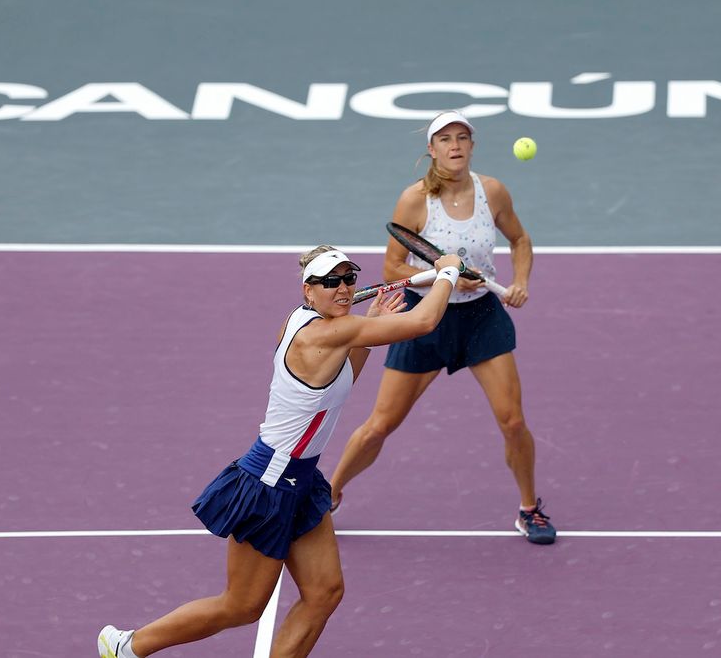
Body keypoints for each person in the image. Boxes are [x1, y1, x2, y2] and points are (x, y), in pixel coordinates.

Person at [97, 246, 464, 658]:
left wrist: (367, 329)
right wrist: (447, 273)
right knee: (241, 606)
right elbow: (424, 319)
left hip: (302, 481)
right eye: (330, 282)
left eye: (348, 279)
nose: (342, 288)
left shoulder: (304, 321)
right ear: (309, 291)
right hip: (268, 483)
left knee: (324, 593)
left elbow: (338, 388)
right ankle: (128, 647)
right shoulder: (328, 332)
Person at [328, 111, 557, 545]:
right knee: (380, 425)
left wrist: (522, 280)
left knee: (512, 421)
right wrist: (446, 274)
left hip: (480, 318)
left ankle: (530, 509)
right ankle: (330, 493)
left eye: (463, 138)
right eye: (445, 139)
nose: (455, 146)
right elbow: (394, 265)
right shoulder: (414, 200)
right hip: (423, 318)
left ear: (472, 146)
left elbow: (520, 240)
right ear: (431, 150)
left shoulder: (493, 192)